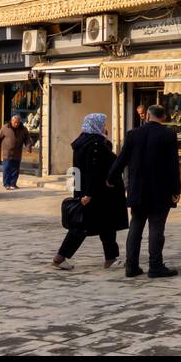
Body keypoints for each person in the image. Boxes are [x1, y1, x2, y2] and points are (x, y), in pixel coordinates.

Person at [108, 104, 181, 279]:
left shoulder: (133, 134)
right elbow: (173, 164)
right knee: (156, 228)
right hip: (160, 191)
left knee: (136, 227)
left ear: (147, 116)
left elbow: (122, 159)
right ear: (163, 117)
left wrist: (111, 178)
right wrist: (176, 189)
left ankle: (131, 266)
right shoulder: (168, 134)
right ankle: (155, 266)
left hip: (138, 190)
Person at [53, 113, 128, 271]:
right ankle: (60, 257)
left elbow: (78, 171)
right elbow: (92, 170)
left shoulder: (84, 141)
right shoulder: (95, 144)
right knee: (82, 227)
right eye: (103, 124)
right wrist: (88, 194)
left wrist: (80, 191)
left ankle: (111, 258)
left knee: (107, 226)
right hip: (97, 193)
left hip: (94, 192)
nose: (105, 127)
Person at [0, 114, 33, 190]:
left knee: (15, 169)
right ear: (12, 121)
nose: (16, 124)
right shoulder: (5, 127)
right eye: (15, 122)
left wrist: (28, 148)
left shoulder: (23, 129)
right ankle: (6, 184)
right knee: (7, 169)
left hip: (17, 153)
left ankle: (13, 184)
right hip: (7, 153)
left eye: (18, 122)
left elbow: (27, 140)